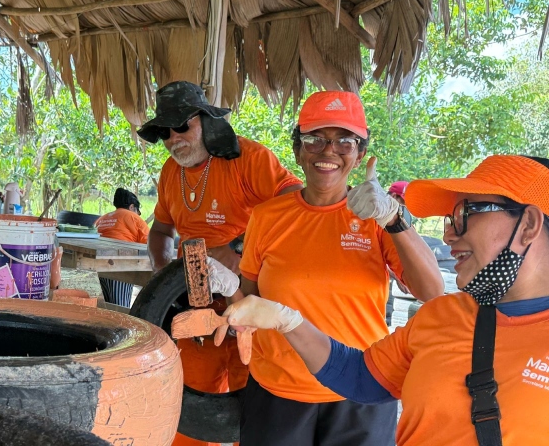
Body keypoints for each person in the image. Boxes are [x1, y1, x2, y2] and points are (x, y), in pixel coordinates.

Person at [223, 154, 549, 445]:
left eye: (464, 213)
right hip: (277, 390)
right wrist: (286, 320)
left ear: (529, 225)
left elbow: (428, 282)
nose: (449, 234)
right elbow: (362, 377)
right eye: (449, 219)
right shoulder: (443, 316)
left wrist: (394, 219)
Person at [234, 91, 444, 445]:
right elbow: (250, 299)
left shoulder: (377, 216)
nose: (328, 151)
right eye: (314, 139)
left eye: (344, 141)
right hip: (279, 389)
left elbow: (433, 291)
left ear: (360, 154)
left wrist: (393, 218)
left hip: (361, 389)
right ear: (298, 151)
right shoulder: (267, 217)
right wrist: (226, 290)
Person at [137, 81, 303, 446]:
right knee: (193, 403)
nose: (172, 138)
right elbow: (161, 231)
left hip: (250, 299)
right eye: (164, 131)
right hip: (195, 305)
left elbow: (297, 203)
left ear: (208, 122)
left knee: (255, 403)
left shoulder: (249, 158)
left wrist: (239, 248)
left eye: (182, 126)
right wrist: (164, 279)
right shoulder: (170, 173)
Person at [94, 188, 149, 307]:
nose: (138, 214)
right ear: (131, 207)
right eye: (137, 211)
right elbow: (149, 245)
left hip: (96, 265)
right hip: (120, 266)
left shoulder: (102, 219)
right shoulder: (135, 218)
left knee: (106, 306)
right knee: (120, 308)